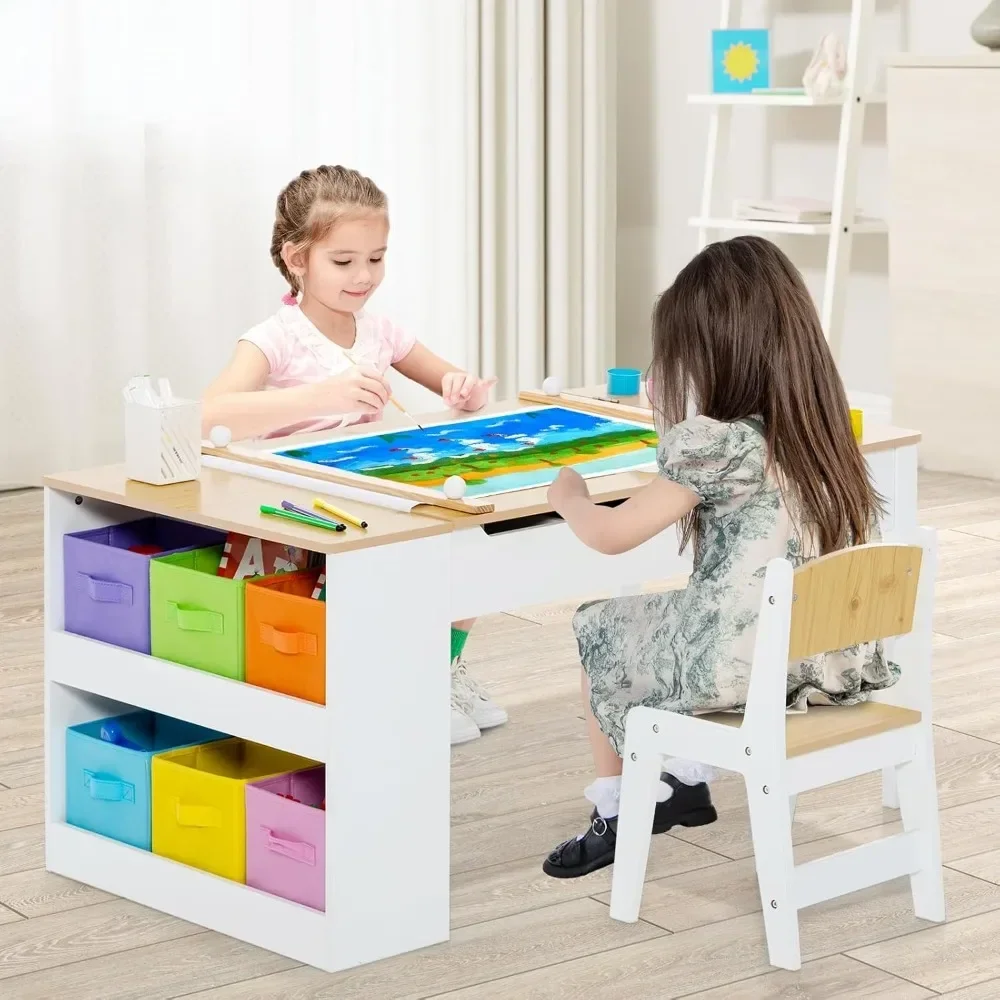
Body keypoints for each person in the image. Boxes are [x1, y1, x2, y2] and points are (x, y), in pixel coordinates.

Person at [540, 235, 894, 878]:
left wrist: (570, 498)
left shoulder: (718, 443)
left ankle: (622, 809)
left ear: (716, 354)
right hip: (820, 657)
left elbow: (612, 536)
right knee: (657, 621)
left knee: (601, 623)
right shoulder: (819, 433)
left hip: (747, 663)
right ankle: (682, 783)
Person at [202, 164, 506, 745]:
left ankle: (436, 673)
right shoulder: (275, 338)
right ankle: (408, 687)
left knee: (470, 548)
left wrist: (460, 389)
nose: (364, 276)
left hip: (370, 490)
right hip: (301, 505)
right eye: (343, 262)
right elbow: (207, 415)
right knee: (409, 568)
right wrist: (317, 397)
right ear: (297, 259)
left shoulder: (380, 331)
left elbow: (448, 378)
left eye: (376, 258)